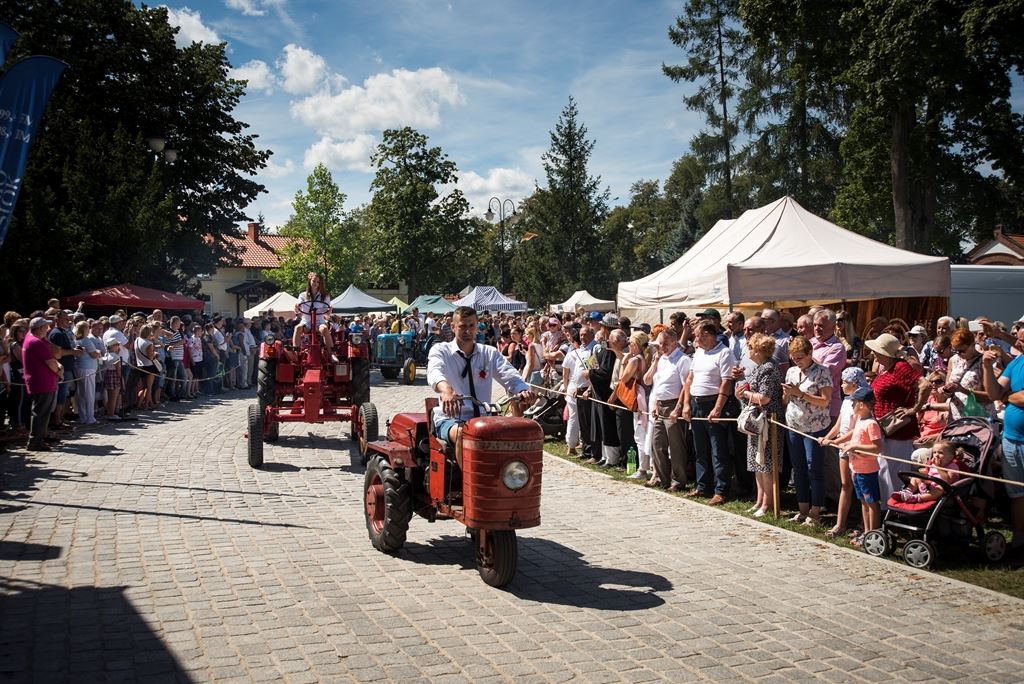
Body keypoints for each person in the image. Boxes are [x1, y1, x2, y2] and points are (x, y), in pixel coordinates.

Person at [426, 306, 532, 467]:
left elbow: (509, 375)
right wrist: (446, 390)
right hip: (451, 419)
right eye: (462, 326)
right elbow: (435, 371)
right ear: (453, 327)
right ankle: (468, 480)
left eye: (471, 325)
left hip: (484, 419)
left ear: (477, 327)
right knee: (464, 434)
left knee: (513, 434)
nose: (467, 330)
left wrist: (522, 390)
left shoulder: (489, 353)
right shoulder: (441, 350)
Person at [679, 320, 736, 504]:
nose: (695, 339)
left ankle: (721, 490)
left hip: (713, 403)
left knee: (718, 449)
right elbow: (690, 379)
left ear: (707, 335)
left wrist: (717, 408)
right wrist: (686, 404)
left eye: (697, 335)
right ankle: (703, 486)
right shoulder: (698, 353)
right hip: (696, 403)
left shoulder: (724, 353)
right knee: (700, 448)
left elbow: (726, 382)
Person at [866, 333, 926, 507]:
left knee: (894, 472)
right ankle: (888, 509)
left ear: (886, 353)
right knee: (885, 470)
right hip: (885, 428)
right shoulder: (886, 369)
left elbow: (925, 384)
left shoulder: (900, 367)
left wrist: (914, 409)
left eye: (876, 351)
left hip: (898, 430)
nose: (873, 354)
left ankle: (896, 509)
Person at [782, 335, 833, 525]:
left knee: (814, 467)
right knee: (798, 467)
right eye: (794, 358)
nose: (797, 361)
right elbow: (786, 400)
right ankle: (802, 509)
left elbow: (825, 401)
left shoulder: (822, 372)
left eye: (800, 357)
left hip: (815, 427)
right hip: (794, 425)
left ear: (810, 353)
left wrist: (800, 394)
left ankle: (816, 510)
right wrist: (787, 394)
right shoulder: (791, 371)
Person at [825, 387, 883, 545]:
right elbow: (853, 434)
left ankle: (873, 535)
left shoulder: (871, 424)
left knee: (871, 503)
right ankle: (867, 533)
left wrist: (854, 446)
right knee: (864, 502)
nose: (852, 405)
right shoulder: (860, 420)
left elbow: (877, 447)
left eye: (854, 403)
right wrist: (834, 441)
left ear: (862, 405)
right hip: (856, 469)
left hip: (867, 471)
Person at [982, 344, 1024, 558]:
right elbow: (993, 393)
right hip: (1011, 440)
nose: (1018, 343)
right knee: (1017, 494)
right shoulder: (1017, 363)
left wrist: (1007, 396)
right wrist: (987, 367)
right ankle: (1019, 539)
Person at [736, 333, 783, 517]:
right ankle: (759, 500)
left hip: (768, 422)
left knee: (765, 463)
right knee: (756, 462)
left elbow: (764, 398)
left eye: (750, 347)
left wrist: (745, 394)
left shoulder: (769, 369)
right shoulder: (759, 367)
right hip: (757, 422)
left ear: (758, 350)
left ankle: (767, 504)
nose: (748, 350)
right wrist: (743, 393)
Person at [819, 367, 870, 538]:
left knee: (861, 488)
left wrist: (836, 441)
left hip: (856, 448)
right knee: (845, 485)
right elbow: (839, 425)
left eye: (845, 382)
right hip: (843, 447)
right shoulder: (846, 401)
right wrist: (827, 437)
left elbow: (856, 429)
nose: (841, 385)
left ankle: (864, 525)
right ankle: (840, 524)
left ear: (854, 384)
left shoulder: (861, 403)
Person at [645, 328, 690, 490]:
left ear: (674, 342)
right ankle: (662, 478)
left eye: (665, 344)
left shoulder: (682, 360)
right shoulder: (662, 359)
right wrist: (655, 404)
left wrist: (678, 407)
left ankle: (678, 480)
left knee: (676, 445)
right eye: (660, 344)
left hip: (673, 404)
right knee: (657, 443)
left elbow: (686, 386)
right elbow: (657, 383)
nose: (662, 347)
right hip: (660, 404)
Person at [23, 317, 61, 451]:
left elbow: (56, 354)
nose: (48, 329)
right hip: (42, 382)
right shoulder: (35, 342)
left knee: (42, 411)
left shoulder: (33, 338)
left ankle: (41, 436)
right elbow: (51, 361)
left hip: (42, 381)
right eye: (45, 327)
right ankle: (35, 441)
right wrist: (59, 372)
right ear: (39, 328)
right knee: (41, 412)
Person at [890, 440, 964, 504]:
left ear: (951, 456)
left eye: (940, 453)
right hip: (928, 487)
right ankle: (907, 492)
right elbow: (929, 475)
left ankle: (917, 498)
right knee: (915, 478)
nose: (936, 455)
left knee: (940, 488)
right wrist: (924, 474)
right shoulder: (933, 464)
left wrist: (938, 467)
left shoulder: (953, 466)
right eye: (934, 452)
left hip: (942, 491)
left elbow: (947, 481)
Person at [293, 272, 332, 352]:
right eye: (314, 281)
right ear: (310, 281)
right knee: (297, 328)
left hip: (319, 322)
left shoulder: (325, 296)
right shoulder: (302, 295)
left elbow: (327, 313)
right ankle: (296, 353)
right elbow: (298, 309)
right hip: (306, 322)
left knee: (324, 329)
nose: (316, 283)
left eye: (318, 282)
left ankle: (331, 353)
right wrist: (296, 307)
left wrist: (329, 311)